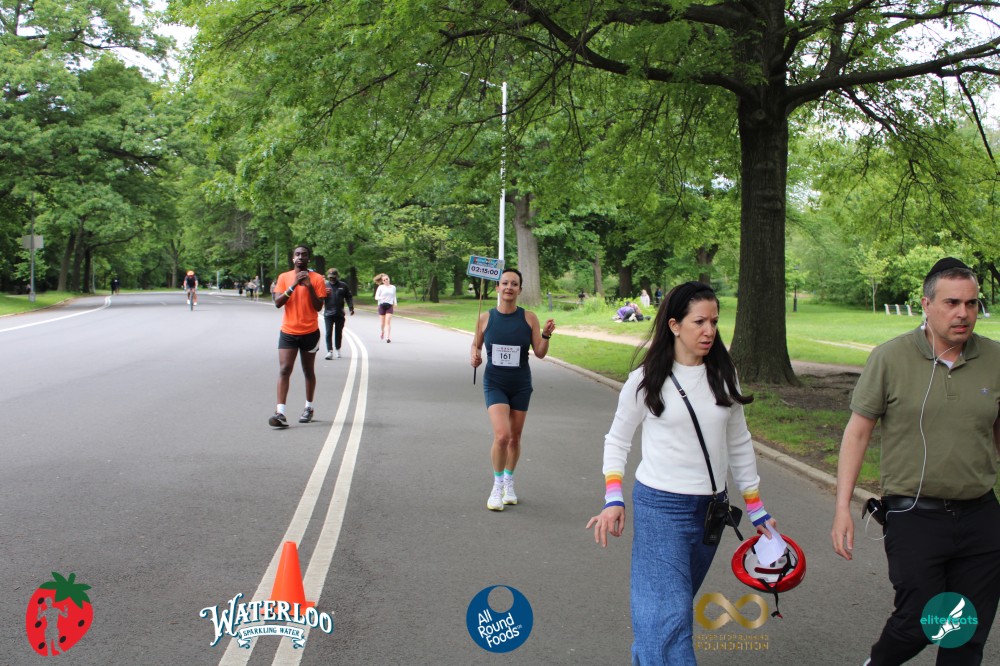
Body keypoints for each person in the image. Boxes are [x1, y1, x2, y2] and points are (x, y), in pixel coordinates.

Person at [586, 281, 777, 665]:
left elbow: (740, 442)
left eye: (714, 322)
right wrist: (613, 497)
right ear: (674, 325)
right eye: (699, 322)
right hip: (661, 509)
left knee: (663, 615)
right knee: (671, 616)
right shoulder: (646, 380)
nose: (709, 331)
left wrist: (757, 509)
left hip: (711, 513)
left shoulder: (723, 375)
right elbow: (617, 440)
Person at [831, 257, 1000, 665]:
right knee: (919, 621)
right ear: (926, 305)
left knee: (965, 634)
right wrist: (842, 507)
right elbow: (857, 433)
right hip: (914, 514)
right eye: (952, 303)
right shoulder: (890, 358)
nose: (963, 313)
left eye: (972, 303)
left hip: (980, 516)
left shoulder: (995, 359)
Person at [470, 268, 556, 511]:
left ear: (520, 289)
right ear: (497, 288)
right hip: (495, 382)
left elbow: (540, 353)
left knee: (515, 437)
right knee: (502, 436)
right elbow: (475, 346)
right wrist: (474, 356)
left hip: (520, 384)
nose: (509, 287)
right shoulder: (485, 318)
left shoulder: (529, 318)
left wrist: (546, 335)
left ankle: (509, 481)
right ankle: (497, 486)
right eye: (505, 283)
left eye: (514, 284)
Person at [268, 245, 327, 428]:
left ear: (308, 259)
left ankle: (309, 407)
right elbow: (278, 303)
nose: (300, 257)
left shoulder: (317, 279)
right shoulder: (284, 277)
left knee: (308, 370)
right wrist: (294, 284)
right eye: (297, 254)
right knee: (285, 369)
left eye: (304, 255)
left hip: (310, 332)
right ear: (293, 258)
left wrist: (308, 286)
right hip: (289, 331)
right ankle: (280, 413)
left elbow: (318, 307)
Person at [323, 268, 355, 360]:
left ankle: (338, 348)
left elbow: (348, 297)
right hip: (328, 313)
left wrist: (351, 307)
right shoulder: (325, 285)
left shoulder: (343, 285)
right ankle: (329, 351)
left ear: (337, 276)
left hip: (339, 313)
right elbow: (319, 296)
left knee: (338, 332)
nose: (332, 279)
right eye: (330, 277)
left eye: (333, 277)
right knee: (328, 332)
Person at [375, 274, 397, 343]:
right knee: (382, 324)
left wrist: (395, 303)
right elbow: (376, 297)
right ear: (382, 281)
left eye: (387, 279)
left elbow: (394, 296)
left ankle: (388, 337)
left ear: (389, 279)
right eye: (384, 280)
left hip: (389, 306)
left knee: (388, 322)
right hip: (382, 305)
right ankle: (382, 331)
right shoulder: (380, 287)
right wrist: (382, 298)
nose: (386, 281)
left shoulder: (393, 287)